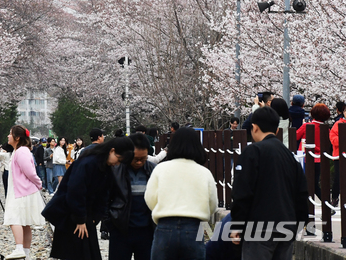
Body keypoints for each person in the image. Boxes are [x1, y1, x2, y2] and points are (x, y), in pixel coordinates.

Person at [231, 106, 308, 259]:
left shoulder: (253, 151)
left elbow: (242, 192)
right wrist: (298, 224)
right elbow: (302, 192)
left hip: (258, 229)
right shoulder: (289, 156)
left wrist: (237, 224)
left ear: (254, 127)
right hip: (286, 228)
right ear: (277, 130)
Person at [43, 136, 134, 260]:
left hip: (85, 214)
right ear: (112, 151)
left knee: (86, 253)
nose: (117, 163)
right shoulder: (89, 162)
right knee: (78, 253)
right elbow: (75, 191)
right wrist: (80, 219)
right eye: (118, 159)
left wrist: (95, 216)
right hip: (72, 215)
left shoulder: (103, 165)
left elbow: (103, 194)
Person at [144, 128, 218, 260]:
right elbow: (213, 204)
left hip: (165, 226)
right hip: (194, 228)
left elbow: (150, 199)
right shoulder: (204, 172)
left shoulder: (161, 169)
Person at [107, 133, 156, 260]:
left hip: (146, 231)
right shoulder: (115, 170)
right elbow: (105, 198)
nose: (139, 162)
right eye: (135, 159)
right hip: (121, 230)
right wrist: (109, 223)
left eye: (143, 159)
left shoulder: (153, 171)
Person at [3, 125, 45, 260]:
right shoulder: (20, 150)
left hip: (21, 191)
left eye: (10, 134)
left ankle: (19, 248)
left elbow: (30, 172)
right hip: (23, 190)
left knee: (13, 217)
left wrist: (39, 183)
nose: (8, 136)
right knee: (25, 223)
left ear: (17, 137)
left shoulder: (21, 151)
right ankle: (25, 253)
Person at [296, 102, 330, 198]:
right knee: (315, 183)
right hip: (319, 159)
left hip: (306, 158)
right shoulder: (326, 129)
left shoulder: (307, 126)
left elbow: (296, 136)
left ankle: (318, 202)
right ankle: (325, 201)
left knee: (306, 183)